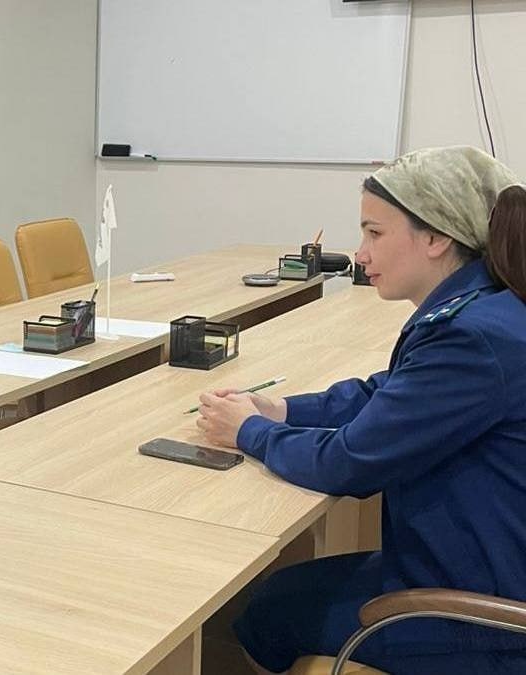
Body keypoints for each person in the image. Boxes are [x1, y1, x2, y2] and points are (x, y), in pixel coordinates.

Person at [196, 146, 526, 674]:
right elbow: (386, 394)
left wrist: (249, 432)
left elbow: (349, 463)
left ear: (437, 238)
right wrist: (282, 410)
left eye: (375, 233)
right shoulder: (483, 305)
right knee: (276, 594)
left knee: (267, 615)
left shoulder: (472, 338)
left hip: (483, 618)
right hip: (478, 563)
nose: (360, 253)